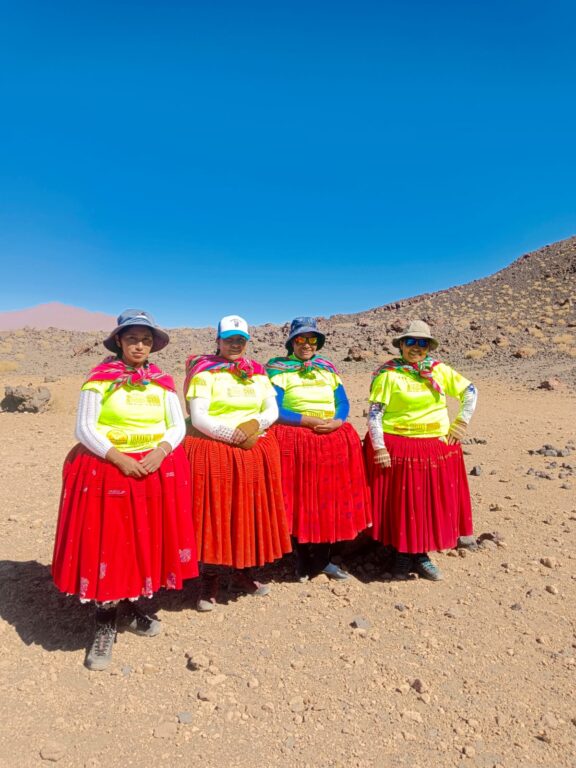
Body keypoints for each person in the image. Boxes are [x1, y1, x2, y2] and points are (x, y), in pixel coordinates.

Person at [52, 310, 198, 671]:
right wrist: (118, 457)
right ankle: (105, 621)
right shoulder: (99, 380)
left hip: (155, 468)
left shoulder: (161, 381)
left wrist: (161, 451)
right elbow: (85, 427)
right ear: (119, 340)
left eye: (146, 340)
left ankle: (129, 605)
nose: (139, 345)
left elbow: (177, 424)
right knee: (110, 543)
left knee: (143, 541)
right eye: (132, 338)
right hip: (109, 470)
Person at [183, 315, 291, 611]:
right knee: (215, 512)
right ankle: (210, 576)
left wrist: (255, 423)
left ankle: (243, 569)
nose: (234, 344)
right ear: (217, 340)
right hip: (215, 450)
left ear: (247, 343)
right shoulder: (204, 372)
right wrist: (234, 435)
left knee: (247, 511)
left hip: (253, 448)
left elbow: (271, 408)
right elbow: (200, 415)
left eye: (240, 340)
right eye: (229, 339)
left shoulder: (256, 372)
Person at [365, 320, 477, 581]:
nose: (416, 348)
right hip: (397, 446)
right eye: (411, 342)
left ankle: (421, 553)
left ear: (429, 347)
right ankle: (402, 553)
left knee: (426, 503)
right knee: (402, 503)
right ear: (401, 345)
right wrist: (379, 446)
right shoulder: (388, 375)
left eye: (422, 343)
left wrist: (461, 422)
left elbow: (470, 391)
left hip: (435, 446)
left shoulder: (440, 371)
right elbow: (375, 413)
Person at [266, 317, 371, 581]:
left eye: (312, 339)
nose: (307, 344)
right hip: (296, 438)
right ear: (292, 342)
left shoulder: (327, 369)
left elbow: (342, 400)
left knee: (327, 498)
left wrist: (338, 420)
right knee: (300, 497)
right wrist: (308, 421)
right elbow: (275, 409)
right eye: (301, 339)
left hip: (331, 438)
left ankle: (323, 559)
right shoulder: (278, 369)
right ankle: (302, 558)